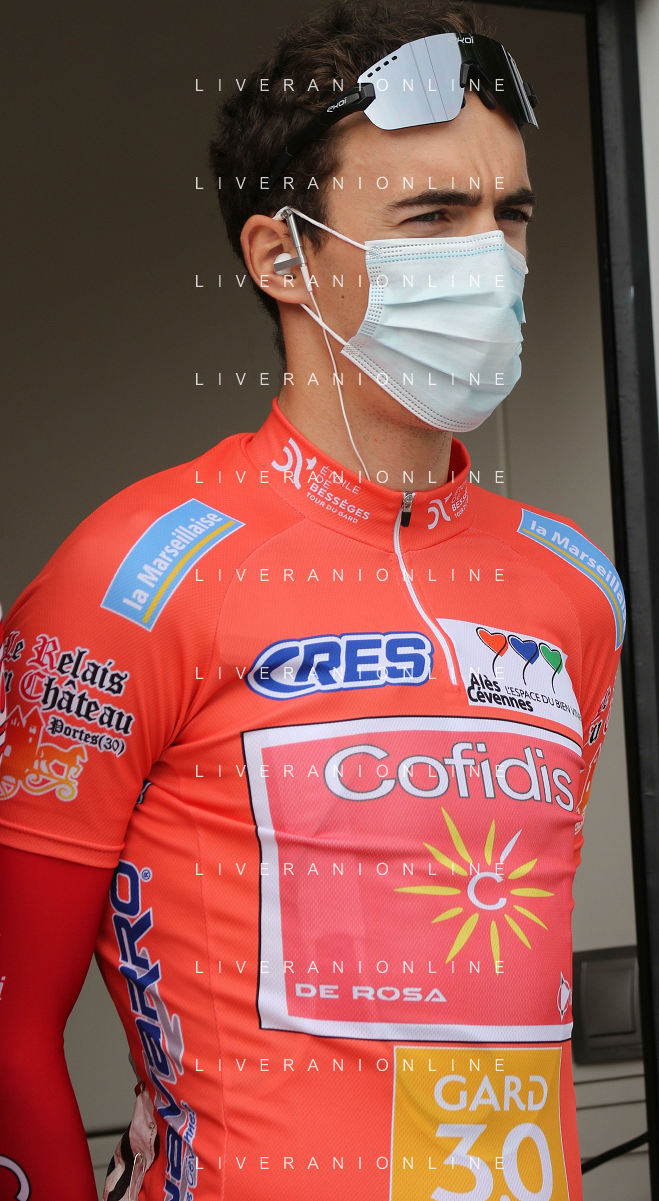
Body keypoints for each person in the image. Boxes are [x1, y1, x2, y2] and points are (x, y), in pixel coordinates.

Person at [0, 2, 624, 1199]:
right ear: (281, 257)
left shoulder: (573, 583)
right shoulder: (130, 579)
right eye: (432, 215)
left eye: (510, 214)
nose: (490, 257)